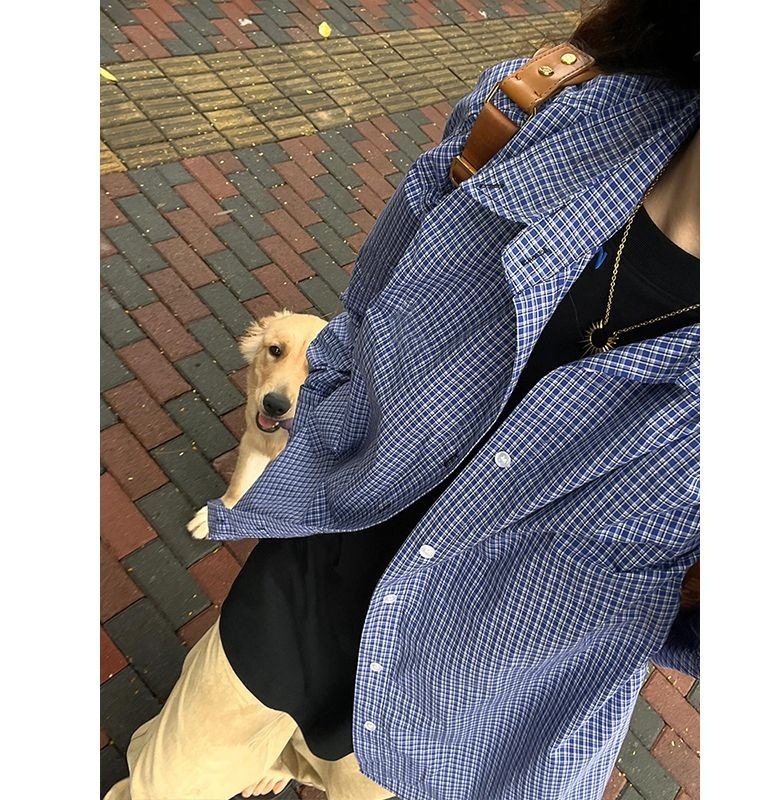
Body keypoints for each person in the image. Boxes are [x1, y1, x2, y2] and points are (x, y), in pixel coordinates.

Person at [104, 0, 700, 798]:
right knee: (160, 782)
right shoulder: (539, 110)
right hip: (295, 595)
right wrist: (318, 451)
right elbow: (359, 320)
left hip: (453, 725)